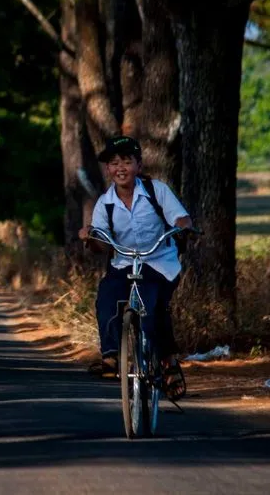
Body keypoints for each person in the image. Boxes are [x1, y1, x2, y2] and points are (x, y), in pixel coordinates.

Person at [79, 135, 193, 400]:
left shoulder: (157, 191)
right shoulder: (104, 204)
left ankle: (168, 362)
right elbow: (101, 245)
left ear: (138, 166)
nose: (121, 168)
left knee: (153, 306)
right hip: (124, 262)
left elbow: (180, 216)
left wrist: (182, 227)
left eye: (127, 162)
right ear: (108, 169)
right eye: (114, 163)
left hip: (159, 262)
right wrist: (91, 238)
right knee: (107, 296)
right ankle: (110, 357)